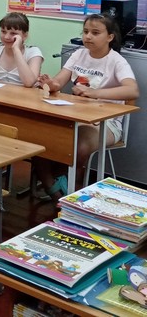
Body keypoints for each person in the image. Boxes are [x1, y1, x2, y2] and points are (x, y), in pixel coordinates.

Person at [36, 14, 139, 199]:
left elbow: (132, 90)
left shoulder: (116, 60)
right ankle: (55, 187)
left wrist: (95, 93)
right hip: (77, 116)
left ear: (110, 37)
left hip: (107, 123)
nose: (88, 36)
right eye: (85, 32)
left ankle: (66, 187)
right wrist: (50, 84)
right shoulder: (78, 54)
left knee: (80, 146)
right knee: (39, 138)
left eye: (95, 33)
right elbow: (59, 82)